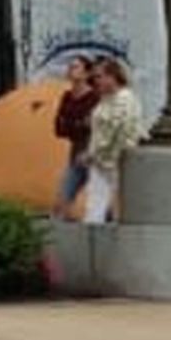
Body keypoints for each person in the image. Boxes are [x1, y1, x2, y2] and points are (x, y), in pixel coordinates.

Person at [83, 58, 147, 225]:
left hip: (118, 160)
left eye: (100, 76)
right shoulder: (106, 99)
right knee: (95, 205)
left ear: (113, 76)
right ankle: (93, 242)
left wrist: (94, 152)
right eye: (95, 77)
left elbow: (117, 129)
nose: (96, 81)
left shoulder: (125, 98)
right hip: (101, 162)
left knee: (119, 206)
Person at [51, 55, 101, 221]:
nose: (71, 70)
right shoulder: (67, 96)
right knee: (63, 196)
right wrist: (76, 124)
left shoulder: (94, 97)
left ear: (87, 73)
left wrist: (75, 123)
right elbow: (60, 127)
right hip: (76, 151)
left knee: (99, 197)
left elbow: (92, 125)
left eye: (76, 67)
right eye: (70, 66)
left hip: (92, 151)